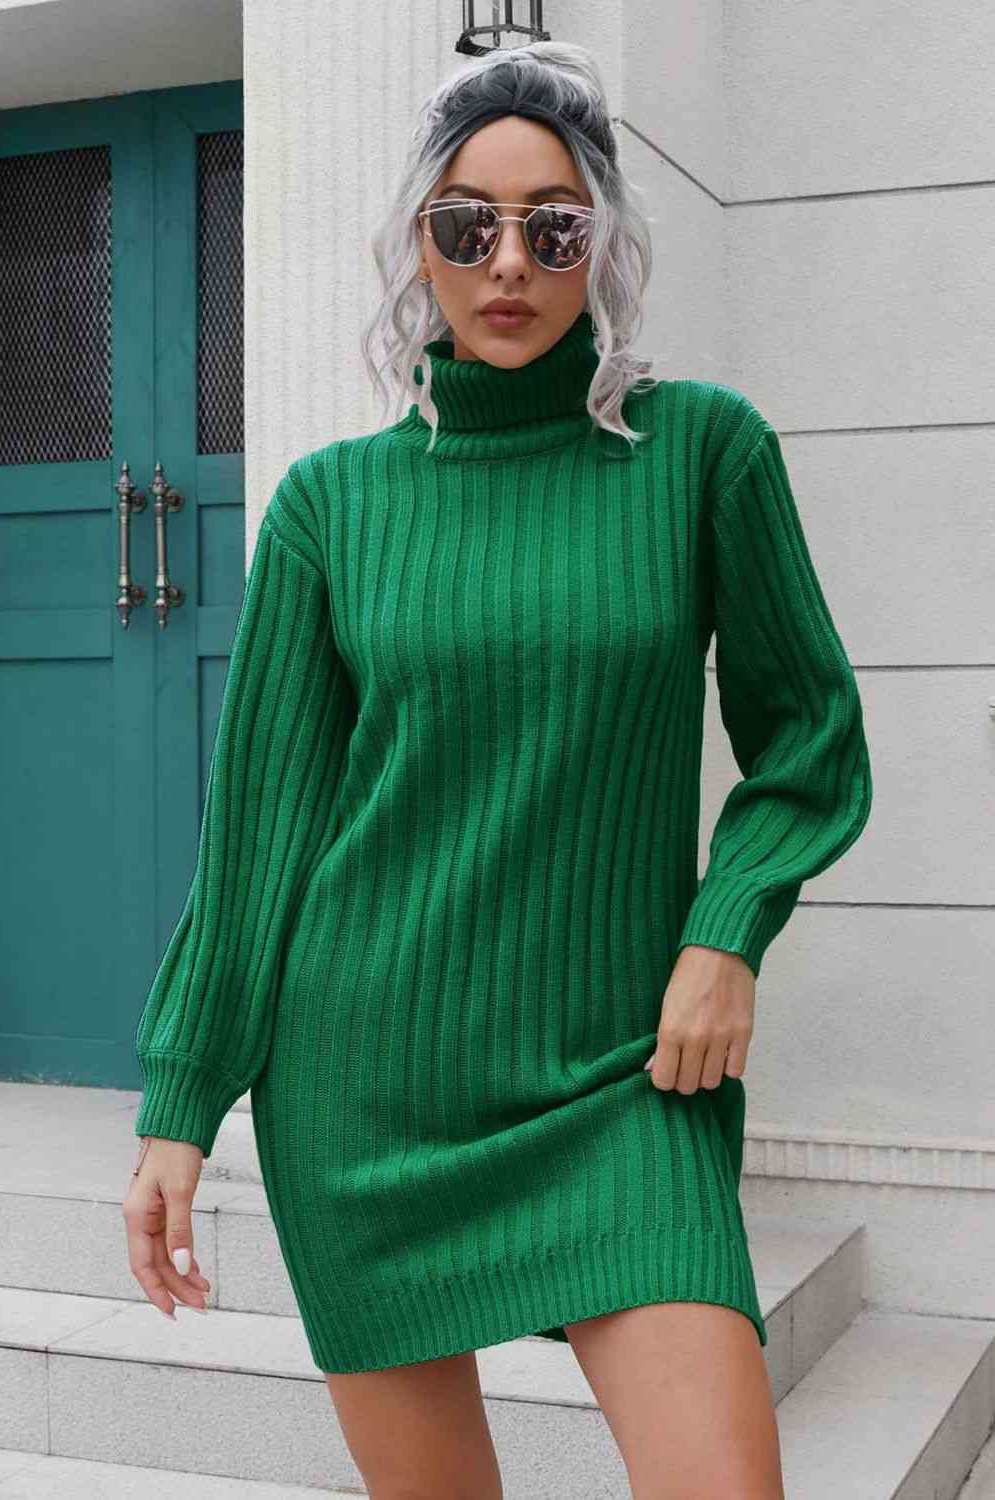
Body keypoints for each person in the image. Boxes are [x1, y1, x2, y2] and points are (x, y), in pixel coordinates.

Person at [123, 40, 873, 1500]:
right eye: (467, 225)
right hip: (368, 1092)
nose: (509, 260)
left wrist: (727, 932)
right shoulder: (332, 507)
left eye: (554, 226)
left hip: (621, 1081)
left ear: (605, 240)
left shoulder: (700, 453)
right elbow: (261, 837)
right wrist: (180, 1101)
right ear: (421, 243)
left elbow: (811, 737)